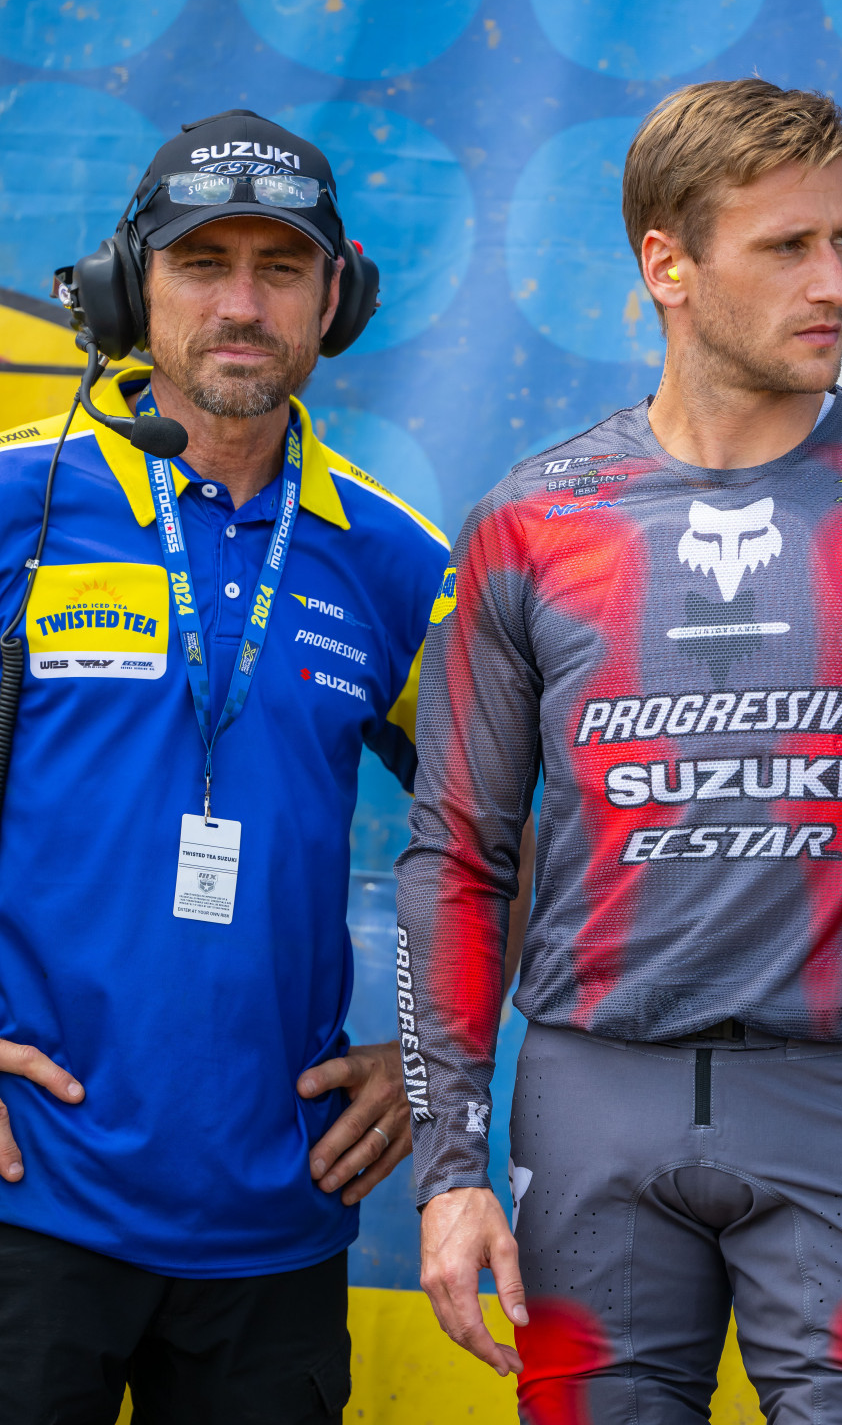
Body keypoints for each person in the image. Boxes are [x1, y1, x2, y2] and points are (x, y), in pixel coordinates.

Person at [395, 80, 842, 1422]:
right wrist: (450, 1166)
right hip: (586, 1115)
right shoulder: (532, 523)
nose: (834, 283)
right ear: (668, 265)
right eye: (786, 247)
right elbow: (458, 857)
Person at [0, 109, 530, 1425]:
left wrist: (425, 1062)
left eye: (279, 269)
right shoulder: (20, 506)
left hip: (277, 1231)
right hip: (27, 1206)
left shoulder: (397, 565)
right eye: (200, 264)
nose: (240, 305)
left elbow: (501, 840)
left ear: (335, 298)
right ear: (132, 288)